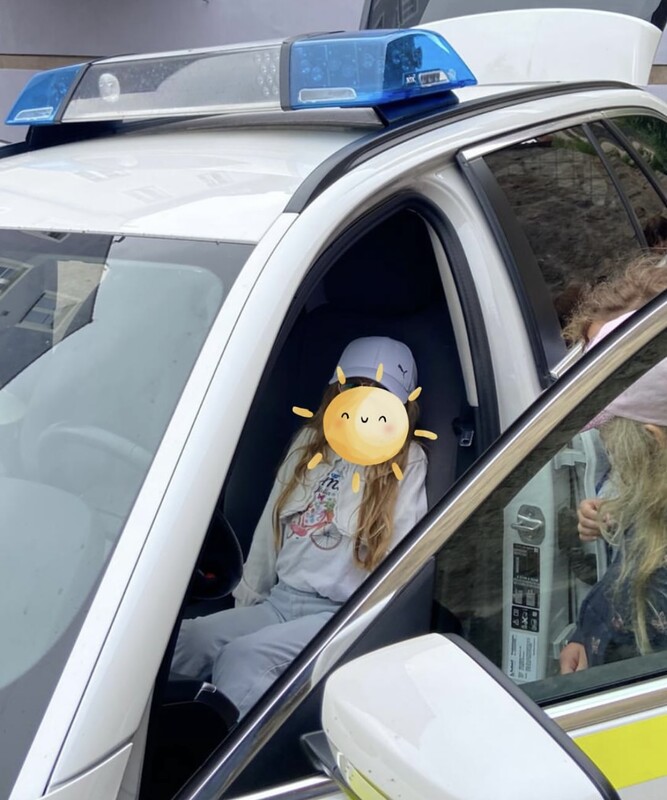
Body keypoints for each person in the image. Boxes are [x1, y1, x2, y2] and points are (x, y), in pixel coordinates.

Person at [172, 336, 428, 717]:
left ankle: (223, 750)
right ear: (336, 392)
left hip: (336, 615)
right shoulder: (310, 443)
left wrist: (374, 629)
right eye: (354, 388)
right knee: (187, 641)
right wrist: (247, 602)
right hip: (280, 603)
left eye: (378, 394)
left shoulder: (407, 462)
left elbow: (404, 558)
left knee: (243, 658)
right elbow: (269, 529)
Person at [560, 355, 667, 673]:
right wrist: (583, 636)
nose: (612, 458)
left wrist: (588, 681)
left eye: (613, 446)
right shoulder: (655, 501)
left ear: (654, 439)